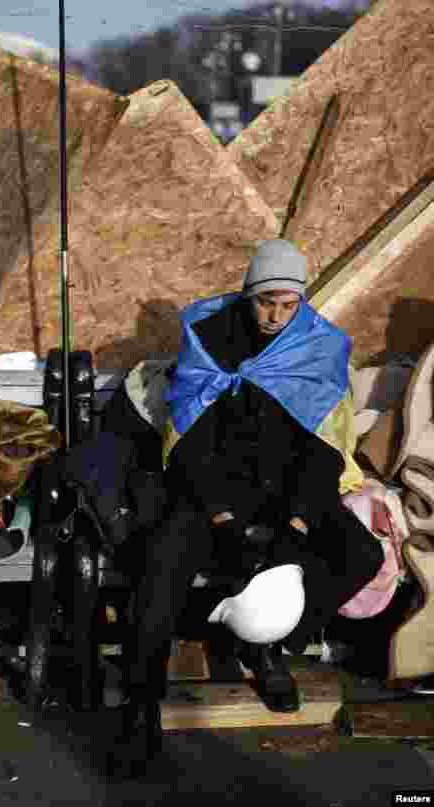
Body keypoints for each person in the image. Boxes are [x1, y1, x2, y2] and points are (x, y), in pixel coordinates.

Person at [110, 239, 384, 778]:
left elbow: (324, 446)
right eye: (265, 304)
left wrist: (297, 523)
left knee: (360, 555)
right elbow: (188, 436)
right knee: (162, 563)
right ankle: (139, 704)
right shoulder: (209, 337)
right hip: (212, 487)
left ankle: (269, 645)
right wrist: (220, 516)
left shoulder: (317, 347)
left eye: (288, 306)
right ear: (247, 294)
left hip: (290, 488)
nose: (276, 318)